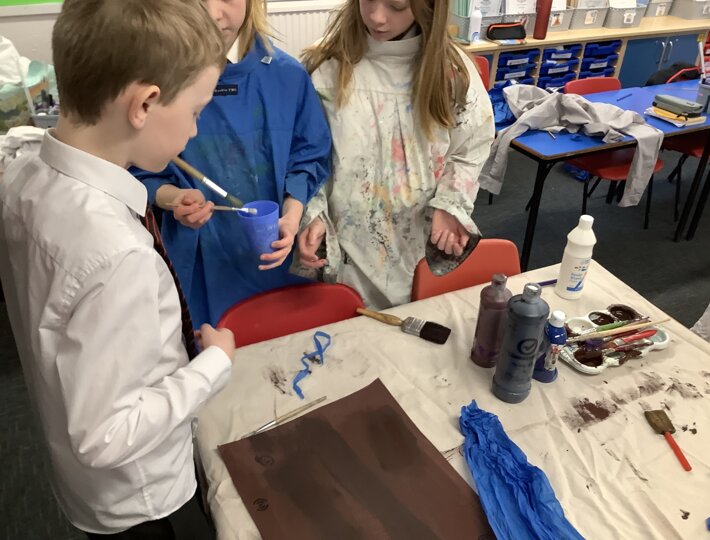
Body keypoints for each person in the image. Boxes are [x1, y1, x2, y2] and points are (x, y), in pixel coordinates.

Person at [0, 1, 236, 538]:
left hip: (82, 477)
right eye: (195, 111)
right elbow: (105, 435)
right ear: (145, 104)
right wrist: (213, 365)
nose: (195, 131)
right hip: (144, 498)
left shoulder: (24, 173)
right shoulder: (119, 254)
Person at [136, 0, 332, 327]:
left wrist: (293, 212)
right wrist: (173, 198)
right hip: (201, 271)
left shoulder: (287, 77)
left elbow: (309, 156)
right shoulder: (158, 81)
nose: (212, 13)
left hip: (279, 266)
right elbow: (140, 169)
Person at [297, 0, 495, 309]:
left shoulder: (453, 73)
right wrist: (312, 213)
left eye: (397, 6)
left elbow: (470, 149)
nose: (377, 17)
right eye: (367, 0)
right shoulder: (326, 67)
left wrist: (451, 203)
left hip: (414, 241)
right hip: (348, 246)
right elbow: (305, 154)